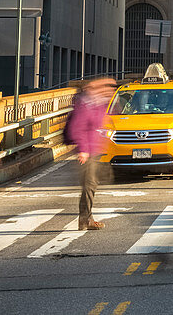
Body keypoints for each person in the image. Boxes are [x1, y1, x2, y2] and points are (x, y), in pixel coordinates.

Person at [65, 77, 116, 231]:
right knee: (89, 186)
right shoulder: (85, 105)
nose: (109, 90)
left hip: (96, 150)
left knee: (91, 185)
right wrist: (83, 149)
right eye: (105, 87)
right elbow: (77, 127)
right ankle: (85, 220)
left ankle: (86, 218)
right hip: (87, 152)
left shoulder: (97, 104)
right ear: (93, 88)